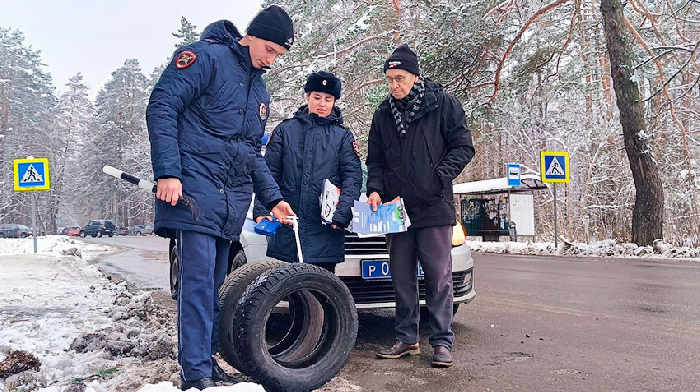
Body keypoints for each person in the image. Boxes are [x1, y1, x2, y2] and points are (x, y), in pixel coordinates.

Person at [146, 6, 296, 390]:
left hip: (230, 199)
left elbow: (250, 152)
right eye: (270, 49)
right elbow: (162, 105)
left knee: (213, 288)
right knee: (196, 288)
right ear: (252, 35)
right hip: (193, 188)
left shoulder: (258, 87)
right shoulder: (204, 58)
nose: (271, 59)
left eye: (279, 54)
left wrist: (273, 198)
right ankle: (194, 373)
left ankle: (206, 365)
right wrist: (168, 171)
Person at [366, 44, 475, 368]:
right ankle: (407, 338)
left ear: (414, 75)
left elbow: (463, 146)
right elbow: (375, 161)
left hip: (433, 207)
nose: (394, 85)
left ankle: (441, 342)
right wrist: (374, 190)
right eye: (389, 79)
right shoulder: (383, 114)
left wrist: (437, 177)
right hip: (396, 211)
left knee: (438, 278)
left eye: (399, 78)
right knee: (401, 277)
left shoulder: (443, 105)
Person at [254, 71, 362, 272]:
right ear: (307, 97)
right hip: (289, 224)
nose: (322, 103)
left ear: (335, 102)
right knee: (294, 292)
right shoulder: (285, 131)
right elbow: (268, 174)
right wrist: (262, 211)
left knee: (324, 293)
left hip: (326, 229)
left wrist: (343, 213)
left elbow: (352, 179)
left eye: (328, 99)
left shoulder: (343, 137)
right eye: (317, 97)